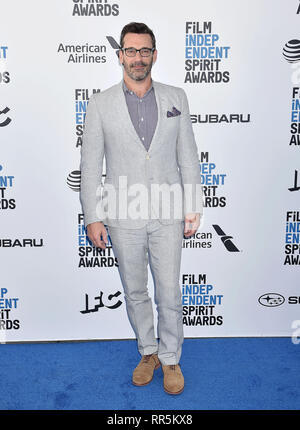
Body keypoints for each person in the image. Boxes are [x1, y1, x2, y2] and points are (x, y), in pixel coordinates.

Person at [80, 22, 203, 395]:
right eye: (131, 51)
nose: (138, 58)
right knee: (135, 291)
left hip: (168, 213)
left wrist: (193, 205)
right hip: (122, 214)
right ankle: (147, 351)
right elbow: (90, 165)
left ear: (154, 54)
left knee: (169, 291)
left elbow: (188, 156)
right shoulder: (100, 104)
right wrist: (93, 215)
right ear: (120, 56)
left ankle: (170, 357)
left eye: (144, 51)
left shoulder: (176, 97)